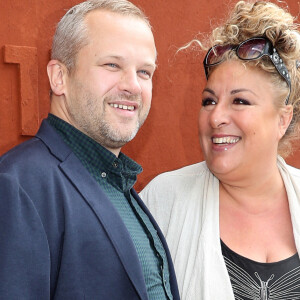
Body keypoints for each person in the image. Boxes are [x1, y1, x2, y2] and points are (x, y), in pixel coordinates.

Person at [0, 1, 180, 299]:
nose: (133, 86)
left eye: (145, 72)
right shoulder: (18, 187)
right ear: (59, 77)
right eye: (112, 65)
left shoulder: (117, 185)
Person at [140, 1, 300, 299]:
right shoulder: (163, 201)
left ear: (282, 119)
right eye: (209, 101)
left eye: (240, 101)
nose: (215, 117)